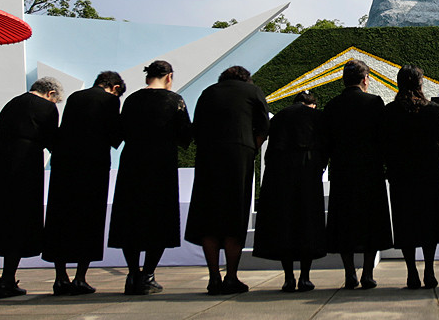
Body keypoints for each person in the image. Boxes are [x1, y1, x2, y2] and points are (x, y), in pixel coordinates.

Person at [0, 77, 63, 299]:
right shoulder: (47, 108)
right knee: (19, 218)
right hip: (25, 160)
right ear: (50, 93)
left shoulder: (13, 102)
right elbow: (52, 141)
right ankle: (7, 281)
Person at [107, 60, 192, 295]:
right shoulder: (175, 100)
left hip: (132, 162)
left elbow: (119, 133)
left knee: (130, 218)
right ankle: (148, 274)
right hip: (161, 164)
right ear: (169, 77)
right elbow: (185, 136)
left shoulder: (132, 100)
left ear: (147, 78)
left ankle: (133, 273)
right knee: (159, 218)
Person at [184, 66, 270, 295]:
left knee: (208, 217)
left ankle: (214, 277)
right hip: (238, 158)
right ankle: (231, 276)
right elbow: (264, 126)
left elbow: (196, 129)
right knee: (235, 215)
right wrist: (251, 148)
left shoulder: (208, 92)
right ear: (246, 79)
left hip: (208, 158)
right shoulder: (253, 92)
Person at [42, 71, 126, 295]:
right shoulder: (111, 100)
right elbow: (114, 135)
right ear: (115, 87)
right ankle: (80, 277)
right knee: (90, 219)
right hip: (93, 164)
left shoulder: (75, 98)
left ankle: (60, 277)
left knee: (61, 217)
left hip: (65, 164)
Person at [323, 59, 392, 289]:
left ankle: (349, 273)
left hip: (343, 171)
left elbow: (328, 142)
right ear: (365, 80)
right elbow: (383, 137)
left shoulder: (332, 106)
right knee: (371, 222)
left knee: (344, 222)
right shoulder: (374, 103)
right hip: (370, 171)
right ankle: (368, 274)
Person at [252, 90, 328, 292]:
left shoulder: (280, 117)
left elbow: (269, 151)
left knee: (284, 225)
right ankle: (305, 277)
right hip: (308, 173)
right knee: (308, 224)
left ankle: (288, 278)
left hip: (280, 175)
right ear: (312, 105)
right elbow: (325, 146)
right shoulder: (316, 115)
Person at [383, 65, 439, 289]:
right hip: (428, 172)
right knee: (430, 222)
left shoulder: (390, 111)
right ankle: (429, 270)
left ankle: (411, 272)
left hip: (401, 175)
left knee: (405, 222)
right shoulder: (433, 109)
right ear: (420, 83)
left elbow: (385, 144)